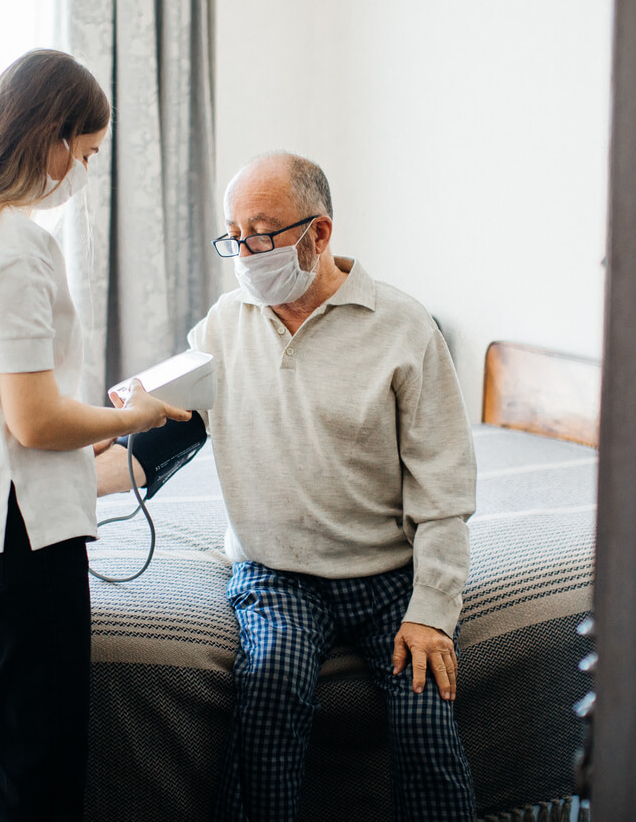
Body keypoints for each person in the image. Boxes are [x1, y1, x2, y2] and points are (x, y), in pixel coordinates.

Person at [99, 152, 478, 820]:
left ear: (318, 233)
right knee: (270, 685)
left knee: (425, 715)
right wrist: (61, 472)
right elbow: (153, 442)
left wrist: (432, 610)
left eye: (261, 233)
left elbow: (443, 488)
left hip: (389, 573)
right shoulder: (223, 324)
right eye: (233, 234)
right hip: (277, 575)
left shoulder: (404, 327)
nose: (243, 253)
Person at [0, 49, 189, 821]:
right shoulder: (13, 244)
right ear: (52, 137)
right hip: (16, 538)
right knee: (42, 768)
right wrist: (134, 417)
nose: (83, 172)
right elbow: (34, 420)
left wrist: (95, 430)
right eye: (86, 153)